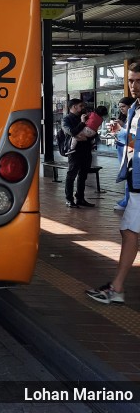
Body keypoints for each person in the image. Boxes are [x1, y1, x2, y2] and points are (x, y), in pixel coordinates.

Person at [86, 62, 140, 305]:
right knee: (128, 231)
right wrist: (120, 132)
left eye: (138, 81)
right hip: (135, 181)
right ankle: (116, 287)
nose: (133, 86)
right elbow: (132, 143)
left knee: (129, 231)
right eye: (130, 80)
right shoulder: (134, 110)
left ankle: (116, 288)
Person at [61, 98, 96, 208]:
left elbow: (93, 132)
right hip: (74, 152)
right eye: (81, 106)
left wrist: (89, 137)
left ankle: (80, 198)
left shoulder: (86, 117)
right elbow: (71, 132)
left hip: (86, 149)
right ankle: (69, 199)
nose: (83, 108)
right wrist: (81, 123)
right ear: (74, 107)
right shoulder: (66, 119)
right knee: (71, 175)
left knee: (83, 175)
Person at [113, 96, 133, 211]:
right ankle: (127, 199)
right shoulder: (125, 118)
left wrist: (121, 129)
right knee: (127, 175)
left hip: (130, 151)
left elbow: (131, 137)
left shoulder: (133, 119)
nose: (121, 109)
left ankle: (127, 201)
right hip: (122, 150)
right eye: (120, 107)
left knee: (130, 176)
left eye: (123, 106)